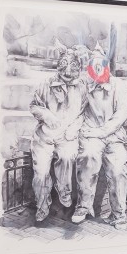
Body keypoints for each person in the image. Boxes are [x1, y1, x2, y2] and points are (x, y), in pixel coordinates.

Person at [74, 42, 127, 226]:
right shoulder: (85, 85)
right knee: (88, 157)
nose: (98, 69)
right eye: (94, 66)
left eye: (101, 65)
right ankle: (83, 206)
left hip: (114, 136)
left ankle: (118, 214)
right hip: (91, 133)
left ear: (107, 66)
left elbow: (121, 115)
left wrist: (102, 131)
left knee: (117, 170)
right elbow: (77, 110)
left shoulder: (118, 85)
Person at [29, 46, 87, 222]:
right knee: (40, 172)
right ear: (58, 67)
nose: (68, 74)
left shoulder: (82, 87)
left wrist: (74, 128)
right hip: (44, 136)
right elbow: (34, 106)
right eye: (64, 69)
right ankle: (42, 205)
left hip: (67, 136)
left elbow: (82, 113)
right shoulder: (45, 84)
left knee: (68, 157)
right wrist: (47, 115)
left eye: (72, 70)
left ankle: (64, 191)